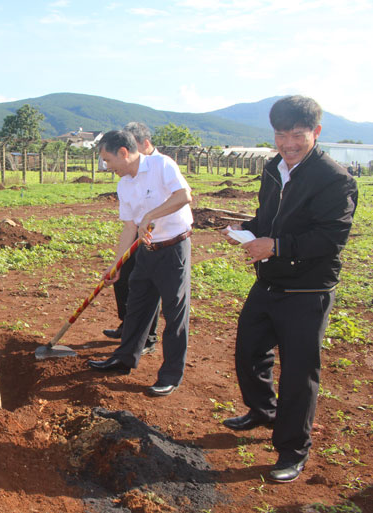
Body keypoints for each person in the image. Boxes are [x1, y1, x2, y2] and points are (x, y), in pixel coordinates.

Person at [221, 96, 357, 483]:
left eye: (298, 135)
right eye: (281, 135)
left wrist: (276, 246)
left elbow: (331, 237)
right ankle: (263, 411)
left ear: (315, 132)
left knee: (299, 372)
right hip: (269, 280)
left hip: (307, 290)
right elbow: (269, 217)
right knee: (249, 351)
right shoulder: (272, 169)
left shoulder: (335, 179)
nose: (289, 143)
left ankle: (293, 449)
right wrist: (246, 231)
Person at [88, 130, 193, 397]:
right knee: (136, 306)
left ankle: (170, 375)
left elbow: (183, 196)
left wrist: (151, 215)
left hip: (173, 248)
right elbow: (129, 227)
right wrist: (117, 265)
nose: (106, 166)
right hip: (146, 251)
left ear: (124, 152)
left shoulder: (162, 165)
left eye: (108, 160)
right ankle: (124, 358)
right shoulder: (124, 184)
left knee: (174, 313)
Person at [102, 122, 160, 356]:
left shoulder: (161, 167)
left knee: (148, 287)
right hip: (135, 233)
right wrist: (117, 262)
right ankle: (128, 324)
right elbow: (128, 222)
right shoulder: (126, 179)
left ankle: (148, 336)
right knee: (125, 277)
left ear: (144, 144)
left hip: (156, 239)